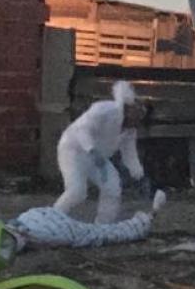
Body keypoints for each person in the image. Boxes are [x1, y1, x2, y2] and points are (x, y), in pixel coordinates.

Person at [54, 80, 148, 223]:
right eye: (137, 111)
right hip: (73, 150)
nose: (139, 118)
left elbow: (129, 153)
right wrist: (91, 150)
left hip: (98, 159)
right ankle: (53, 218)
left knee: (112, 187)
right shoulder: (105, 110)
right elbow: (82, 129)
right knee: (77, 191)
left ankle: (103, 225)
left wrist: (137, 172)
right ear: (128, 107)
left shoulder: (130, 131)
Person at [7, 191, 167, 251]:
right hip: (35, 218)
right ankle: (147, 218)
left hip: (48, 227)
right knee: (102, 232)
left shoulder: (54, 236)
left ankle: (146, 219)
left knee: (102, 233)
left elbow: (19, 241)